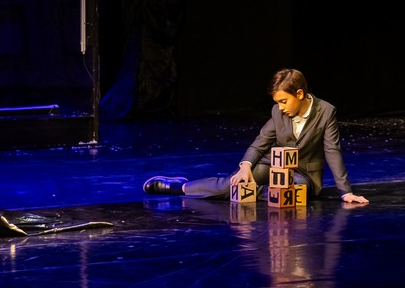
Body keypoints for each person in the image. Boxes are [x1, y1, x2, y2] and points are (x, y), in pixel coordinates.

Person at [143, 68, 369, 204]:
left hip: (303, 175)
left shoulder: (326, 112)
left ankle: (255, 192)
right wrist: (245, 166)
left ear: (300, 94)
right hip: (272, 165)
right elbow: (260, 142)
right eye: (277, 103)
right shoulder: (277, 112)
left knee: (290, 193)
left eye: (284, 101)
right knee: (235, 183)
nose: (281, 107)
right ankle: (181, 187)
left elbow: (332, 150)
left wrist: (345, 192)